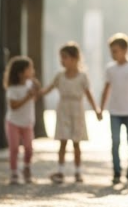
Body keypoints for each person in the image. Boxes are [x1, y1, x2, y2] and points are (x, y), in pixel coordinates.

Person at [41, 42, 100, 184]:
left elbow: (89, 94)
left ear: (74, 59)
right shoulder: (59, 76)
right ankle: (60, 171)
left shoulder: (82, 77)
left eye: (65, 57)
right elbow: (47, 89)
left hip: (77, 110)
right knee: (62, 141)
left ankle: (78, 172)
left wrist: (96, 109)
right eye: (61, 57)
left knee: (76, 143)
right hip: (63, 110)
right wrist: (36, 92)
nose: (62, 61)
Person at [100, 33, 128, 185]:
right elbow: (106, 89)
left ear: (125, 50)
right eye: (111, 51)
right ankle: (117, 172)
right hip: (115, 111)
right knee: (115, 142)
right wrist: (101, 108)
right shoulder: (110, 69)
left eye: (115, 51)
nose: (113, 54)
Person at [4, 56, 43, 185]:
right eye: (29, 69)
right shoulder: (12, 89)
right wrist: (28, 97)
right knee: (14, 148)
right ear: (21, 72)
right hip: (13, 122)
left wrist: (36, 89)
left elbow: (35, 96)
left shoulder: (30, 84)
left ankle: (27, 167)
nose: (33, 71)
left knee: (29, 148)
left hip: (28, 122)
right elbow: (13, 106)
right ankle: (14, 172)